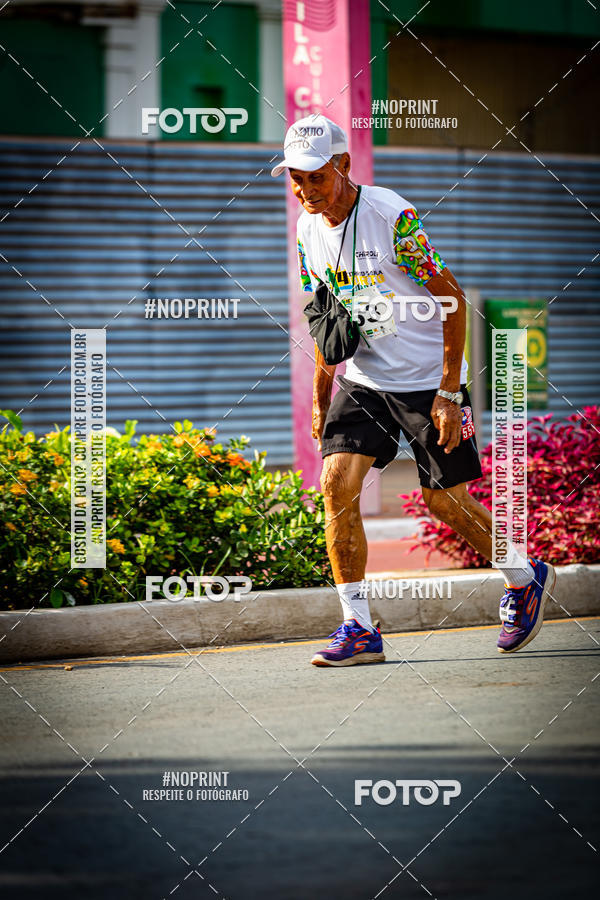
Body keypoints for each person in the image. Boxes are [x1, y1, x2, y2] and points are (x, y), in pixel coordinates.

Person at [271, 114, 555, 667]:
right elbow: (325, 324)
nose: (306, 190)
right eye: (296, 179)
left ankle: (524, 578)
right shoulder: (307, 232)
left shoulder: (390, 216)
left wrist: (450, 392)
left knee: (444, 501)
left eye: (316, 177)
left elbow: (450, 300)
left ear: (343, 166)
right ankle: (358, 627)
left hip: (428, 380)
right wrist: (318, 397)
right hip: (365, 379)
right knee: (336, 484)